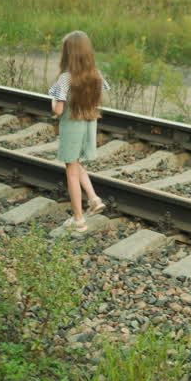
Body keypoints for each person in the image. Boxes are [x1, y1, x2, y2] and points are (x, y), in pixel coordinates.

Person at [48, 30, 109, 232]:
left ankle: (78, 220)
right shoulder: (96, 74)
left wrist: (53, 100)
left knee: (71, 172)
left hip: (72, 127)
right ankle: (93, 199)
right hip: (89, 125)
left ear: (67, 54)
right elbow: (101, 97)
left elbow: (57, 111)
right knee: (76, 163)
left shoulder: (65, 78)